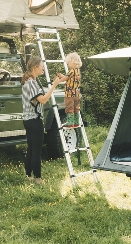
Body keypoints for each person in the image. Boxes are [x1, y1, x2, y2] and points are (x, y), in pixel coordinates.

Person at [21, 56, 61, 185]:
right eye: (42, 66)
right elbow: (43, 100)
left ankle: (28, 176)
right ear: (35, 68)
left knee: (31, 148)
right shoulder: (32, 83)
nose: (43, 68)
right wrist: (54, 86)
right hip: (35, 119)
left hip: (27, 120)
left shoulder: (27, 82)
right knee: (36, 150)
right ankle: (37, 178)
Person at [56, 52, 82, 128]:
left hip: (70, 93)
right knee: (76, 108)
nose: (67, 65)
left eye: (68, 63)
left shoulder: (72, 71)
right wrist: (63, 76)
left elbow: (66, 78)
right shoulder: (77, 71)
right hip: (76, 93)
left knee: (69, 107)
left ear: (73, 62)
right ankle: (76, 122)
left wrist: (59, 80)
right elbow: (70, 78)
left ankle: (70, 122)